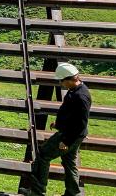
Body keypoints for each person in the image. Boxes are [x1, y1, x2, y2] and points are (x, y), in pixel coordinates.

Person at [25, 63, 91, 196]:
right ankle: (72, 193)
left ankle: (37, 192)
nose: (61, 84)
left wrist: (66, 141)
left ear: (70, 79)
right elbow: (72, 115)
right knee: (69, 163)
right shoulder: (77, 90)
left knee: (43, 155)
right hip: (73, 134)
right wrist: (59, 123)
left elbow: (81, 123)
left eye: (62, 81)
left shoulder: (81, 97)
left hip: (69, 136)